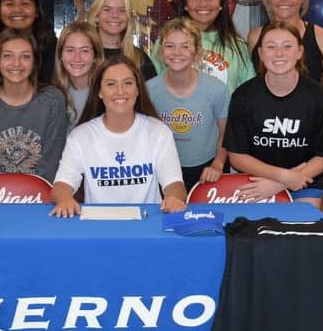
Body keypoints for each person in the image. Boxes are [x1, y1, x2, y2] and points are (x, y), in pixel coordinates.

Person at [50, 56, 186, 217]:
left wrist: (174, 199)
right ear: (99, 92)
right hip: (99, 226)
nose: (120, 91)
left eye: (128, 83)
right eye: (111, 84)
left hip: (147, 225)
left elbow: (174, 184)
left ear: (137, 89)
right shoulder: (81, 136)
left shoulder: (158, 132)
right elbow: (61, 185)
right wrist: (65, 199)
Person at [224, 21, 323, 209]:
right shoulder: (243, 96)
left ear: (300, 52)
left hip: (304, 181)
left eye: (287, 46)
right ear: (259, 53)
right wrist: (283, 177)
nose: (279, 54)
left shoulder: (320, 97)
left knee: (300, 230)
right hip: (256, 182)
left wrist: (281, 183)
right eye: (270, 47)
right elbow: (237, 156)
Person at [0, 30, 68, 182]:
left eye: (25, 56)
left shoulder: (53, 100)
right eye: (8, 55)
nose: (16, 63)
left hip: (42, 192)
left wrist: (32, 194)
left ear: (34, 62)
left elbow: (52, 161)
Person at [146, 17, 229, 192]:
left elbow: (225, 132)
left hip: (207, 169)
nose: (177, 52)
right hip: (164, 170)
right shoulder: (149, 90)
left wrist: (218, 165)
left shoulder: (216, 89)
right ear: (161, 51)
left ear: (197, 53)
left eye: (185, 46)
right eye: (170, 46)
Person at [152, 0, 255, 94]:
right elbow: (152, 91)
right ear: (185, 4)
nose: (203, 4)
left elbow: (248, 93)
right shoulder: (166, 42)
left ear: (221, 4)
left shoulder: (238, 46)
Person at [87, 0, 157, 79]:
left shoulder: (140, 59)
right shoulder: (82, 55)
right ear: (96, 16)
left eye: (122, 10)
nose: (115, 15)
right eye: (107, 9)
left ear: (128, 17)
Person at [53, 21, 104, 128]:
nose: (77, 58)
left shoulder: (106, 95)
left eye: (84, 51)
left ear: (96, 56)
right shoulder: (52, 96)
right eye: (70, 50)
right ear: (60, 55)